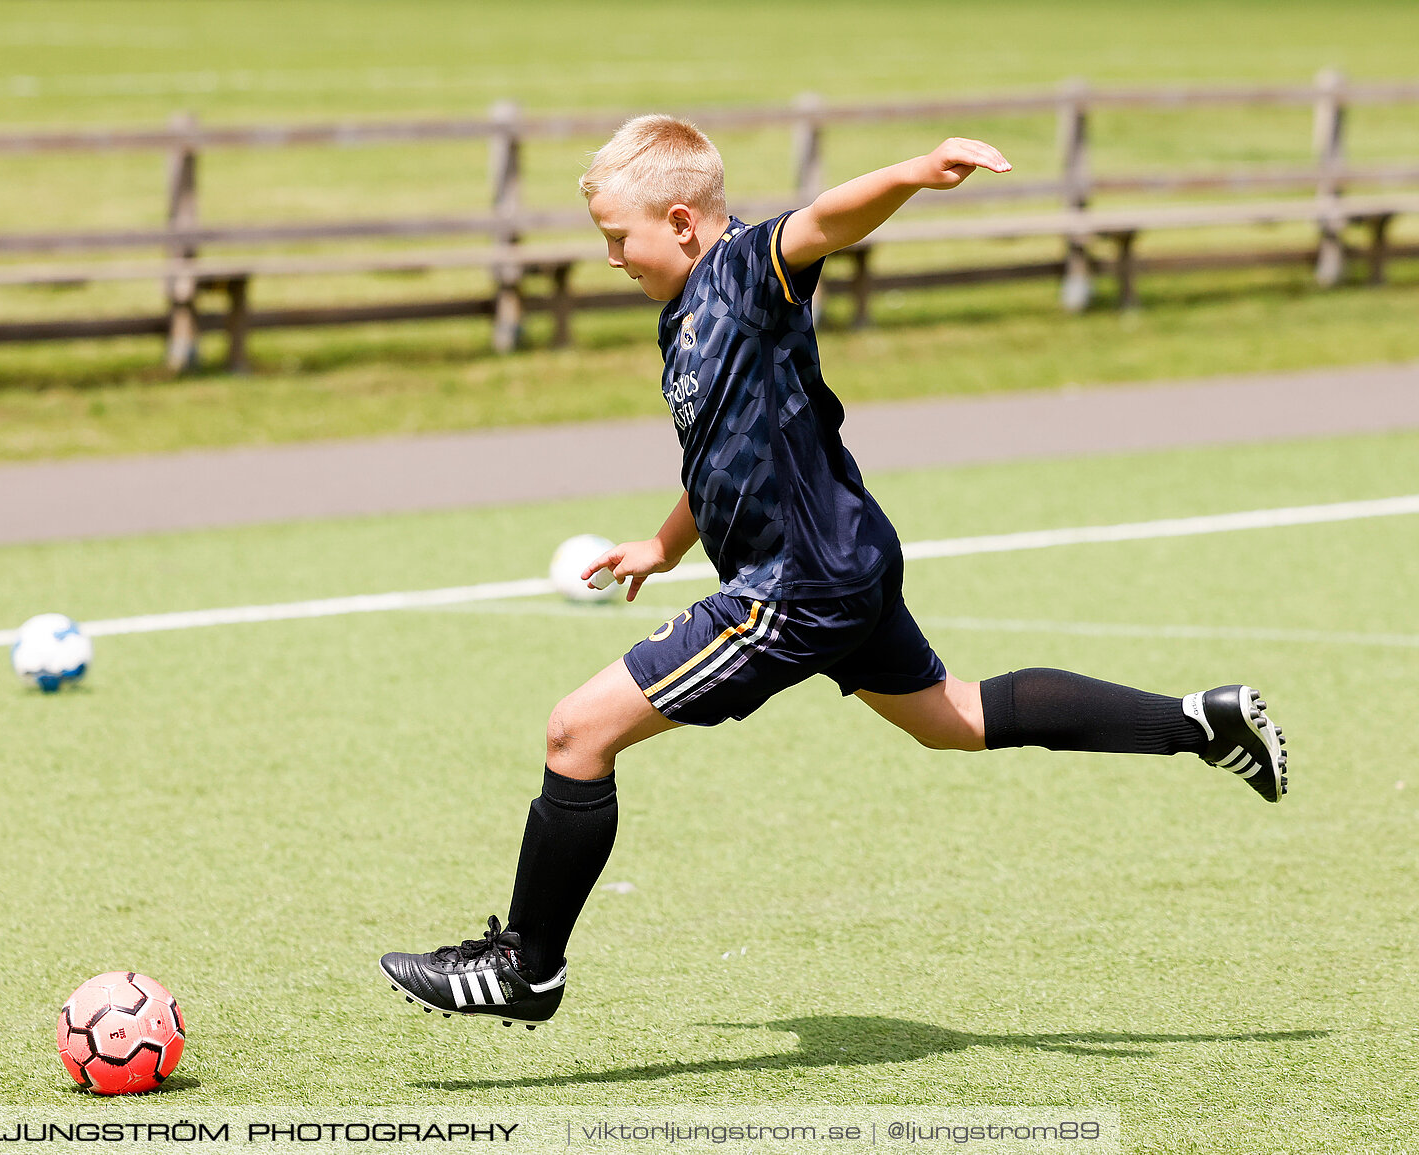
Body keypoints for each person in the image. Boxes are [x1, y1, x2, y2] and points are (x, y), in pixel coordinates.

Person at [379, 115, 1286, 1029]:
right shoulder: (683, 316)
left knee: (576, 734)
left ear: (684, 222)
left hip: (794, 585)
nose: (611, 255)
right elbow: (725, 454)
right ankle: (1196, 722)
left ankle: (527, 966)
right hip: (842, 563)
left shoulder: (742, 272)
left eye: (620, 237)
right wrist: (664, 544)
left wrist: (918, 172)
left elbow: (825, 220)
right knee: (956, 719)